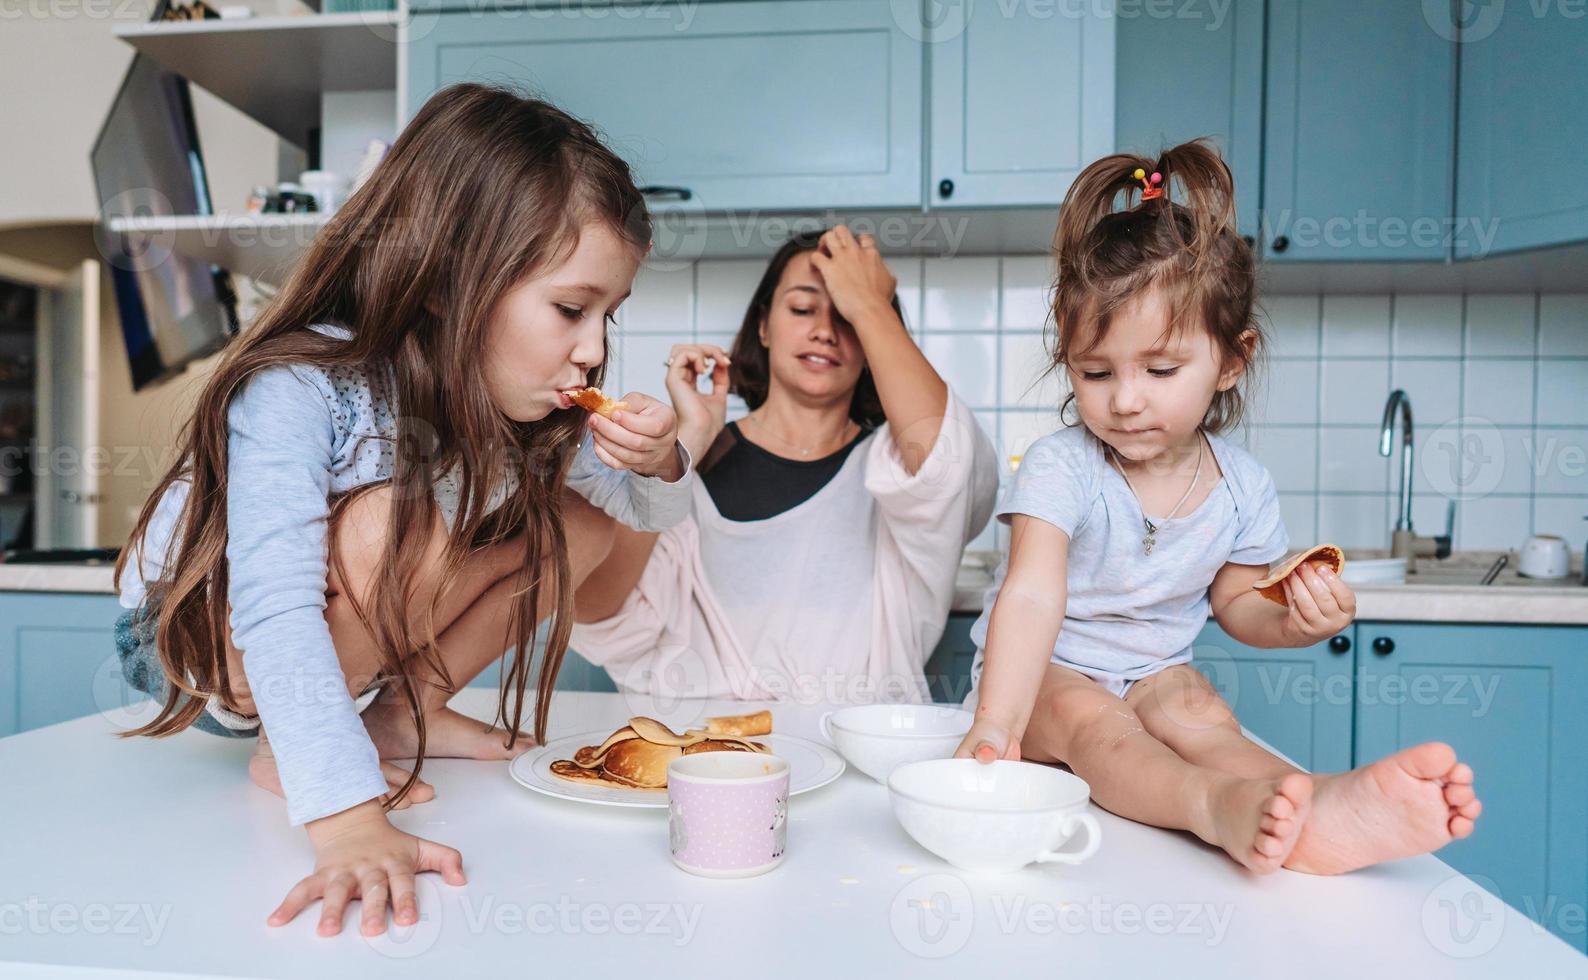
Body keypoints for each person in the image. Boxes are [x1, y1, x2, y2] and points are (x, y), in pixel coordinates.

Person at [111, 84, 694, 936]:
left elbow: (648, 516)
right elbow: (271, 601)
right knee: (398, 516)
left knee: (581, 522)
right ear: (445, 283)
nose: (595, 348)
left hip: (321, 653)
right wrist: (345, 817)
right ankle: (291, 751)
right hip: (193, 638)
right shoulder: (304, 388)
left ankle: (400, 713)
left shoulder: (521, 411)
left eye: (609, 313)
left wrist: (663, 457)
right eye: (571, 308)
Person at [956, 142, 1482, 875]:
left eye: (1161, 369)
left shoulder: (1243, 486)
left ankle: (1317, 808)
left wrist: (1295, 622)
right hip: (1046, 676)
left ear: (1232, 360)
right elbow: (1033, 593)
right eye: (1095, 372)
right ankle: (1213, 807)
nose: (1125, 398)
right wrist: (995, 721)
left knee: (1201, 714)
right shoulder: (1061, 465)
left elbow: (1236, 601)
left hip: (1155, 669)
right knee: (1099, 726)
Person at [570, 227, 999, 705]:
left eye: (847, 315)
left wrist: (872, 303)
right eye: (802, 308)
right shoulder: (678, 465)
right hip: (694, 758)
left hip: (856, 758)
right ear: (763, 326)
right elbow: (594, 608)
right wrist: (687, 441)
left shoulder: (894, 472)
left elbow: (949, 465)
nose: (824, 330)